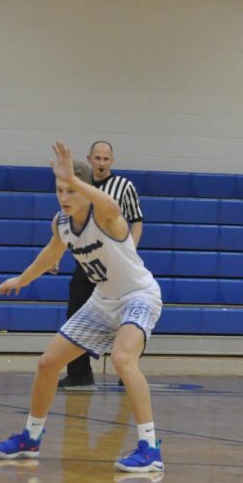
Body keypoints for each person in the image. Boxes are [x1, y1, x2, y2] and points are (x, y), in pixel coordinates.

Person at [0, 142, 164, 473]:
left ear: (85, 190)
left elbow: (111, 203)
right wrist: (23, 279)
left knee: (123, 359)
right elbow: (51, 254)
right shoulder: (62, 223)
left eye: (71, 190)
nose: (65, 197)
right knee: (47, 364)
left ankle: (150, 448)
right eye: (60, 190)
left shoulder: (106, 216)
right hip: (102, 301)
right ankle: (31, 438)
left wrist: (75, 178)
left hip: (138, 296)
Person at [58, 140, 144, 390]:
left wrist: (131, 250)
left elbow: (137, 221)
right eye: (97, 158)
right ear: (90, 159)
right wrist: (56, 256)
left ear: (112, 161)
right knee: (75, 312)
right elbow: (68, 225)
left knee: (127, 316)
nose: (102, 163)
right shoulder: (77, 186)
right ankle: (79, 374)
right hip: (88, 262)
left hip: (117, 264)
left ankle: (127, 370)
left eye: (106, 159)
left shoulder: (124, 186)